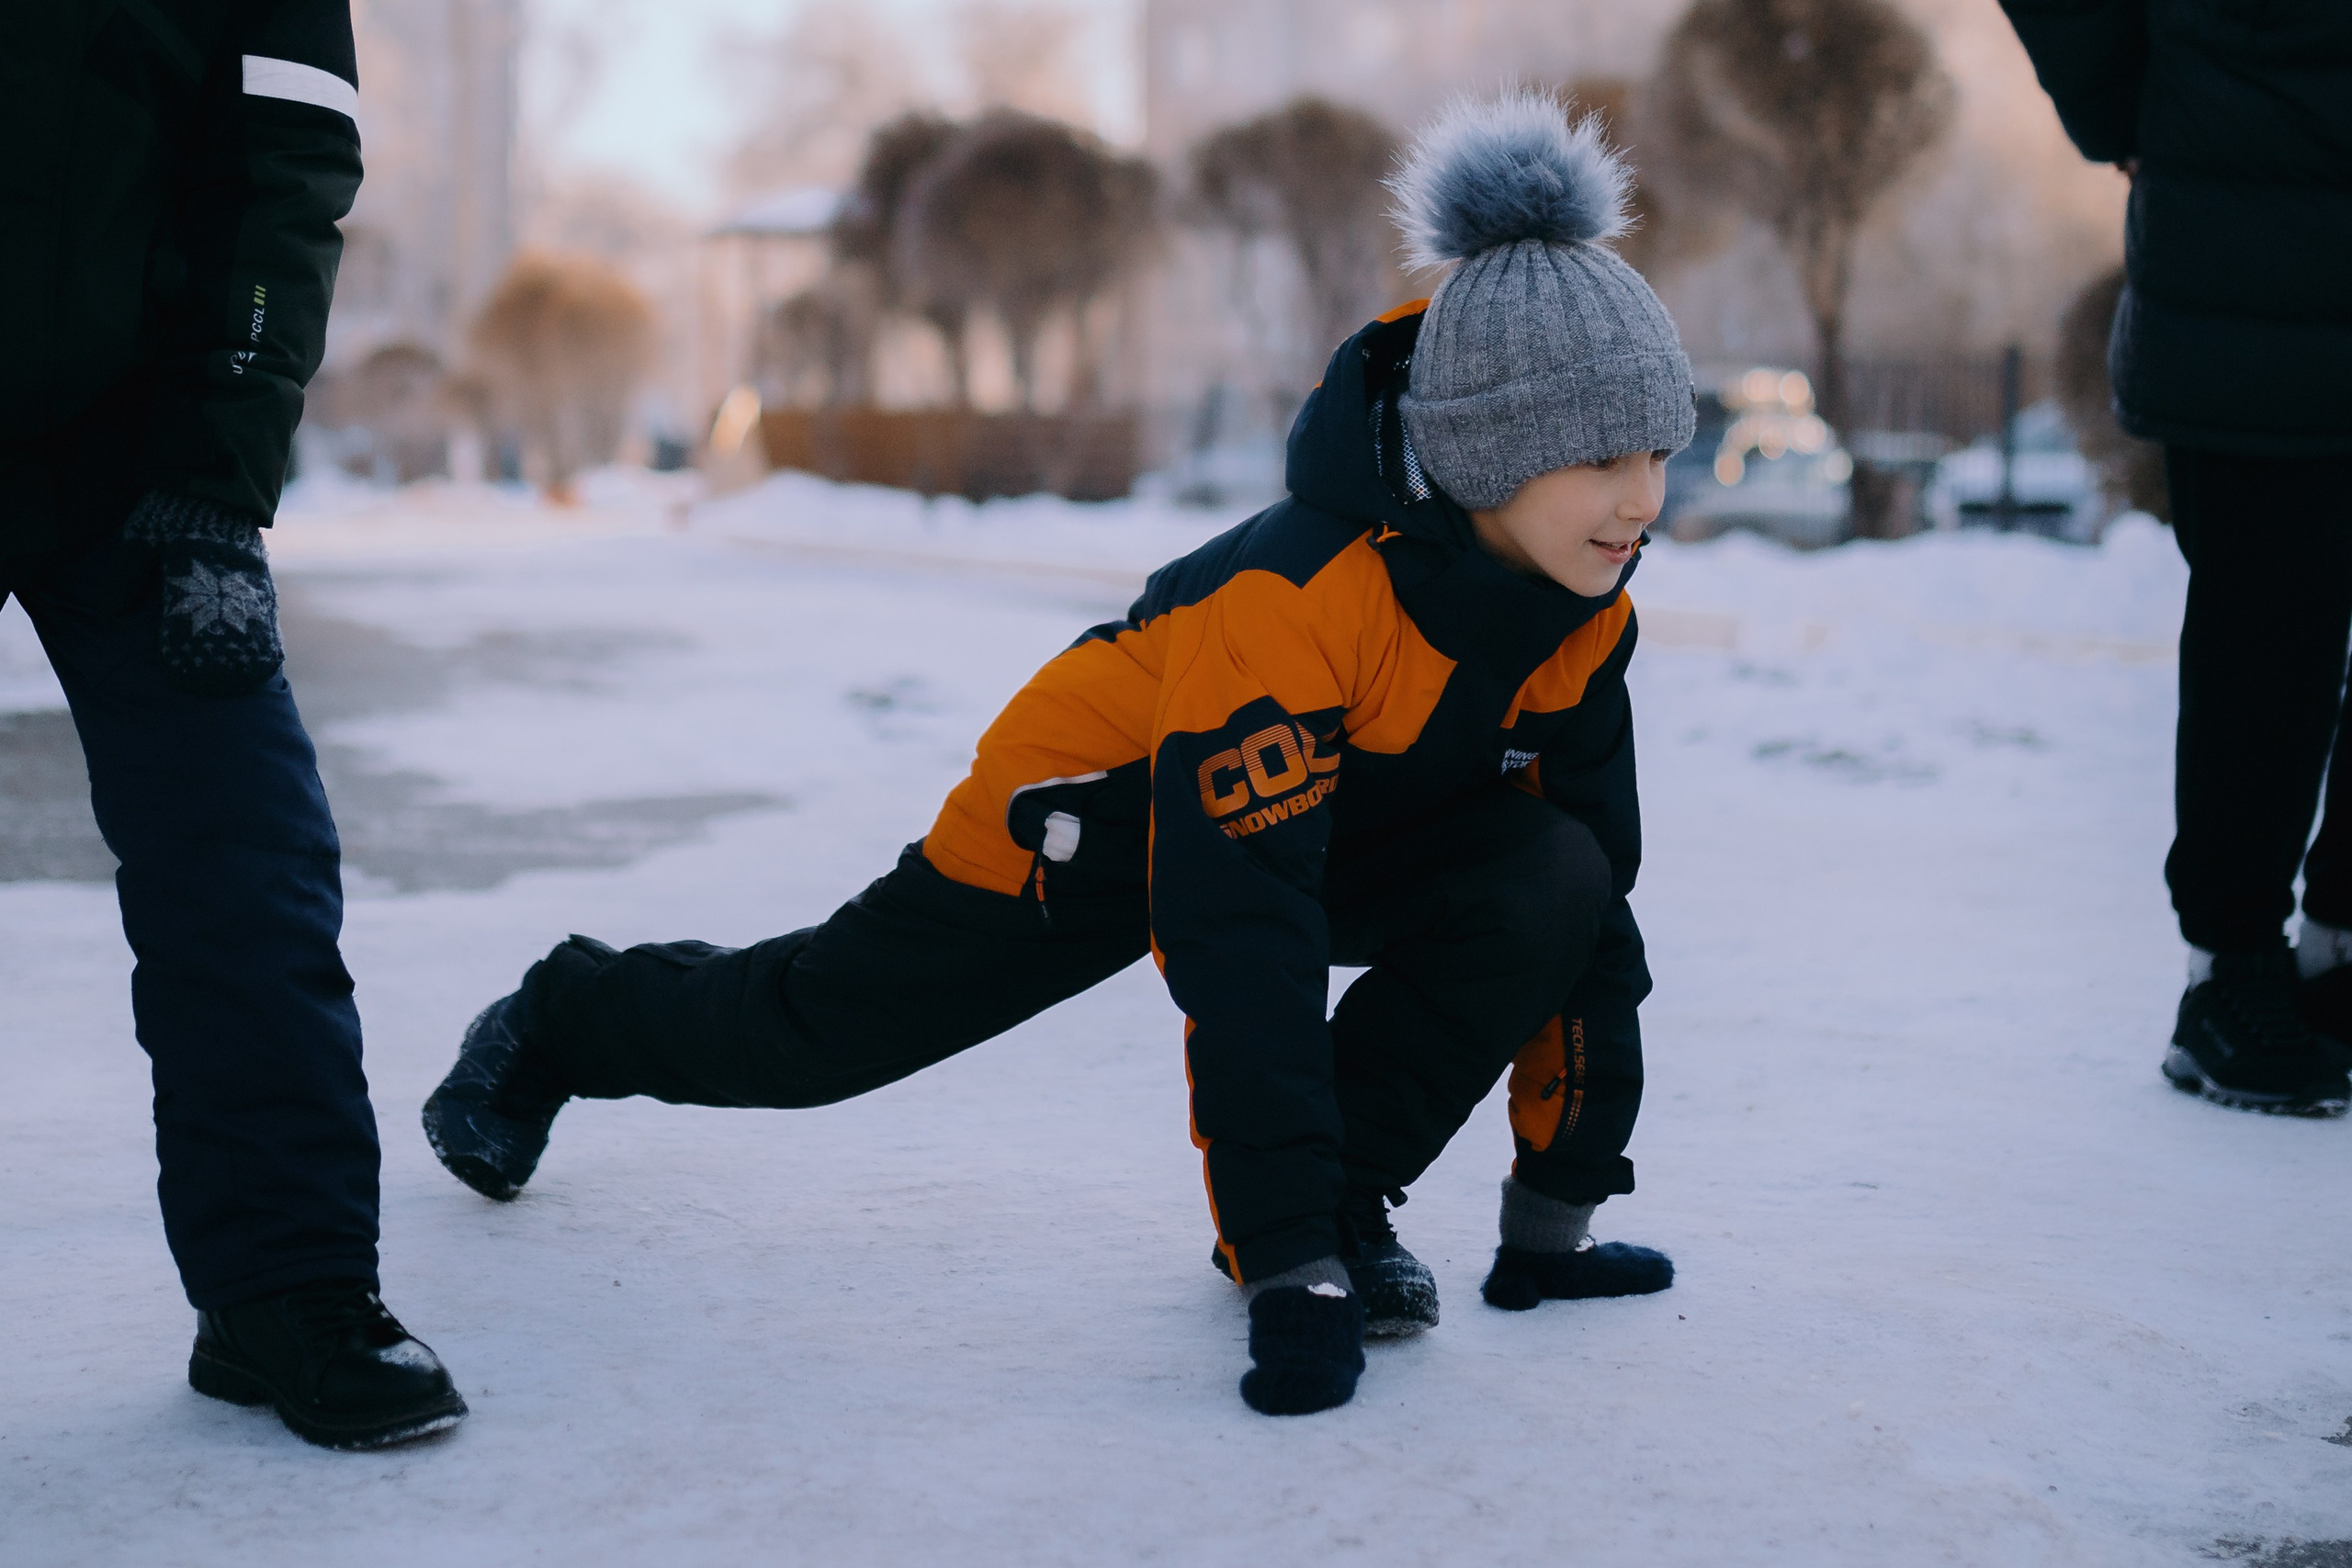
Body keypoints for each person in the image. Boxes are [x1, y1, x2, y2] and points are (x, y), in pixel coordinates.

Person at [424, 94, 1684, 1416]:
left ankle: (1349, 1197)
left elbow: (1598, 901)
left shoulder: (1581, 617)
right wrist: (1287, 1267)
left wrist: (1555, 1216)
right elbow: (1240, 938)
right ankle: (558, 1017)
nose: (1643, 496)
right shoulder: (1299, 605)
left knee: (1550, 870)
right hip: (1083, 819)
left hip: (1337, 816)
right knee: (807, 1037)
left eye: (1659, 449)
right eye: (1602, 455)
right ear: (1489, 450)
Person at [2, 3, 465, 1446]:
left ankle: (288, 1290)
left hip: (131, 460)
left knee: (245, 859)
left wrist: (216, 478)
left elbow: (288, 159)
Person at [2000, 2, 2352, 1117]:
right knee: (2270, 639)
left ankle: (2338, 949)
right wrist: (2139, 109)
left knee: (2271, 635)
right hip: (2247, 242)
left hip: (2233, 187)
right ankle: (2229, 972)